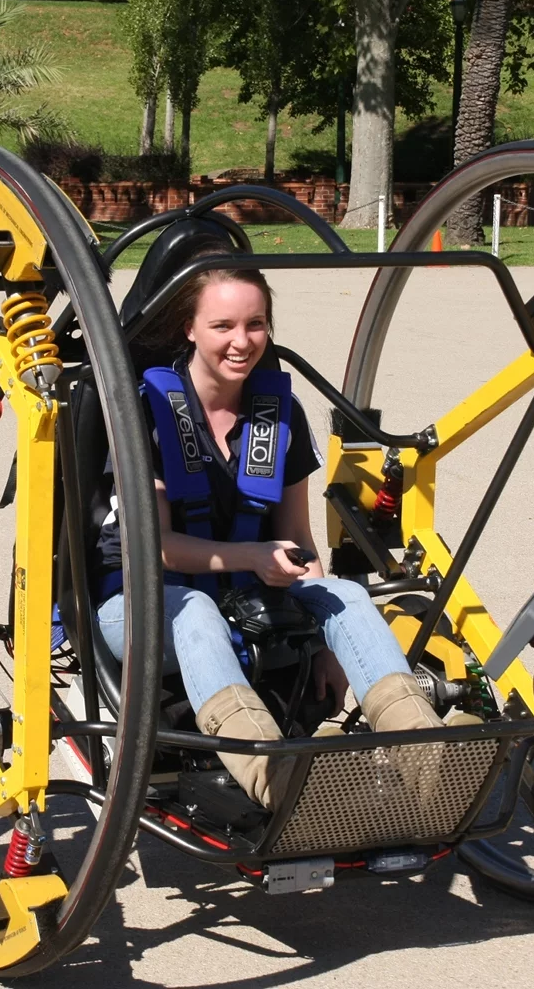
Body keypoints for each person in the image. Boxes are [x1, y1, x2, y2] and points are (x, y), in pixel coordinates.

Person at [91, 253, 443, 811]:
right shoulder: (148, 412)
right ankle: (274, 779)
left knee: (347, 595)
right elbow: (154, 547)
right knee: (194, 612)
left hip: (243, 585)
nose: (242, 341)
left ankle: (427, 762)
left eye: (255, 325)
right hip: (138, 601)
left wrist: (334, 649)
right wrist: (252, 557)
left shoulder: (277, 414)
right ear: (189, 328)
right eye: (222, 326)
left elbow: (297, 537)